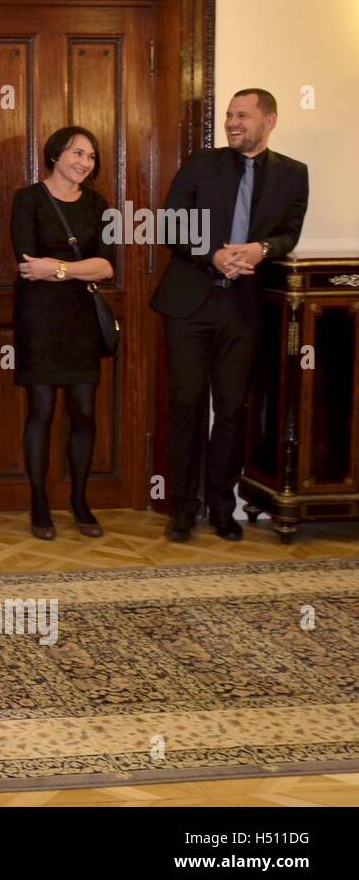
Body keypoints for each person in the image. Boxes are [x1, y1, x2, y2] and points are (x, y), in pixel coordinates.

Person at [151, 89, 308, 542]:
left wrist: (262, 249)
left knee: (232, 409)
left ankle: (222, 505)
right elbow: (171, 222)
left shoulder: (294, 174)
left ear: (269, 121)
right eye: (229, 115)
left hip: (244, 307)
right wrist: (211, 256)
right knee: (187, 403)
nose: (232, 122)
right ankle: (183, 505)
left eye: (243, 115)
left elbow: (289, 231)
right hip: (190, 302)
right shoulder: (203, 163)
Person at [11, 127, 115, 540]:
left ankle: (80, 500)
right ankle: (39, 501)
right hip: (39, 320)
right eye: (77, 153)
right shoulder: (28, 200)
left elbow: (107, 267)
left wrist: (58, 269)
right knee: (41, 412)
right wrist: (73, 268)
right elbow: (26, 264)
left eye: (91, 156)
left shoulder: (98, 204)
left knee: (84, 412)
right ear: (55, 154)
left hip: (81, 319)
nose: (84, 163)